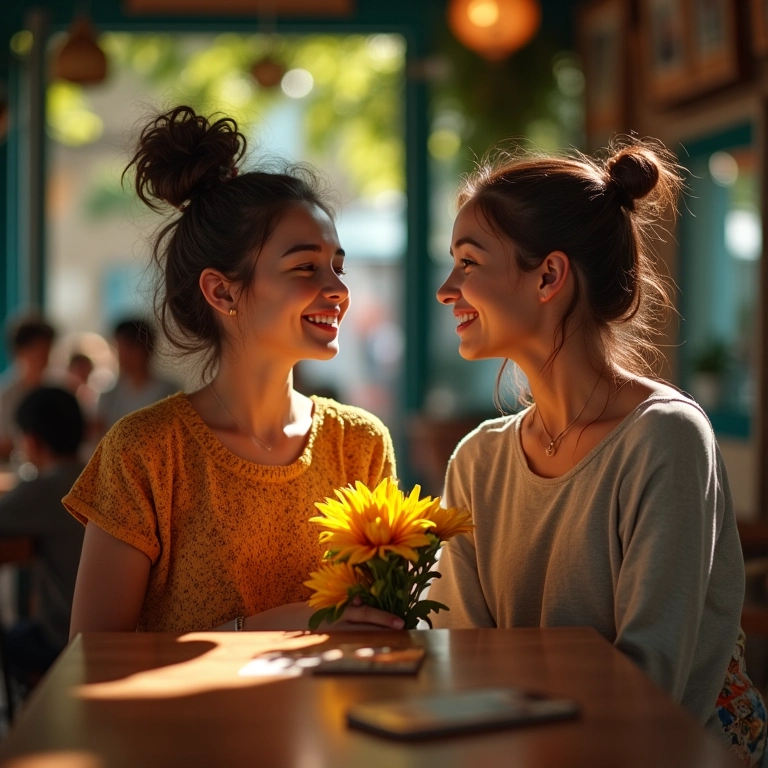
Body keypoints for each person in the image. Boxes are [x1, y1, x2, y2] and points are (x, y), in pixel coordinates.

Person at [430, 139, 766, 766]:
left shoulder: (664, 438)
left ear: (549, 276)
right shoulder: (476, 462)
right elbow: (462, 666)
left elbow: (649, 682)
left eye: (469, 262)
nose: (448, 288)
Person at [65, 106, 400, 637]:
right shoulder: (145, 452)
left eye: (338, 264)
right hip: (187, 723)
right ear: (222, 291)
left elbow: (382, 626)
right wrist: (261, 628)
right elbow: (92, 657)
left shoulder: (358, 444)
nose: (337, 289)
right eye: (304, 266)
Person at [0, 386, 85, 691]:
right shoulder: (95, 473)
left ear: (32, 440)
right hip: (114, 631)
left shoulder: (44, 489)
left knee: (12, 641)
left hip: (63, 635)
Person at [95, 318, 178, 434]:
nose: (119, 356)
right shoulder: (110, 395)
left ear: (140, 350)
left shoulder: (167, 392)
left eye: (121, 349)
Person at [0, 316, 56, 461]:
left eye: (47, 350)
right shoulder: (6, 394)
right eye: (39, 351)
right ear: (20, 351)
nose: (44, 357)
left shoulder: (55, 389)